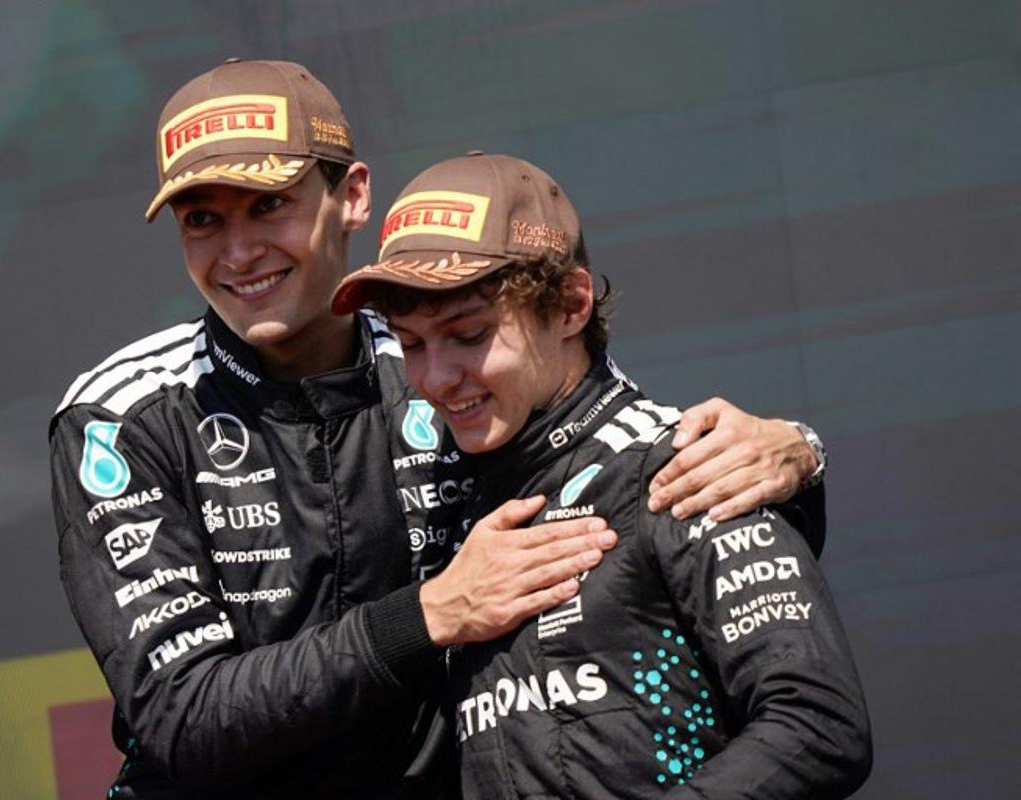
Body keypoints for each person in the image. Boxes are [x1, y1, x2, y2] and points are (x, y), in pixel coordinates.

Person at [49, 60, 830, 799]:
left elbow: (626, 461)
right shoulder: (122, 417)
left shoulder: (442, 362)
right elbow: (183, 719)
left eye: (269, 205)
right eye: (202, 221)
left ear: (352, 196)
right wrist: (432, 613)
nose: (240, 250)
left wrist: (791, 455)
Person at [332, 152, 871, 799]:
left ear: (570, 305)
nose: (437, 379)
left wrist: (803, 451)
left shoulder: (687, 468)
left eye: (470, 335)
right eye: (412, 344)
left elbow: (818, 725)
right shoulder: (456, 511)